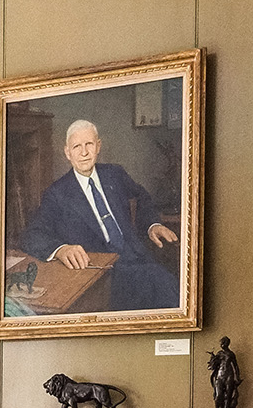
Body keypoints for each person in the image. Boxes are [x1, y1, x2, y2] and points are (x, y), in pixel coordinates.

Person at [16, 119, 180, 312]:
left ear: (98, 146)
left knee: (169, 287)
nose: (84, 152)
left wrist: (152, 224)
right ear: (67, 152)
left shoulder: (114, 174)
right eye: (77, 146)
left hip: (138, 255)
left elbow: (141, 196)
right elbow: (32, 234)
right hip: (102, 274)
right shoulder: (57, 193)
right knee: (162, 287)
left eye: (89, 144)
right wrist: (61, 249)